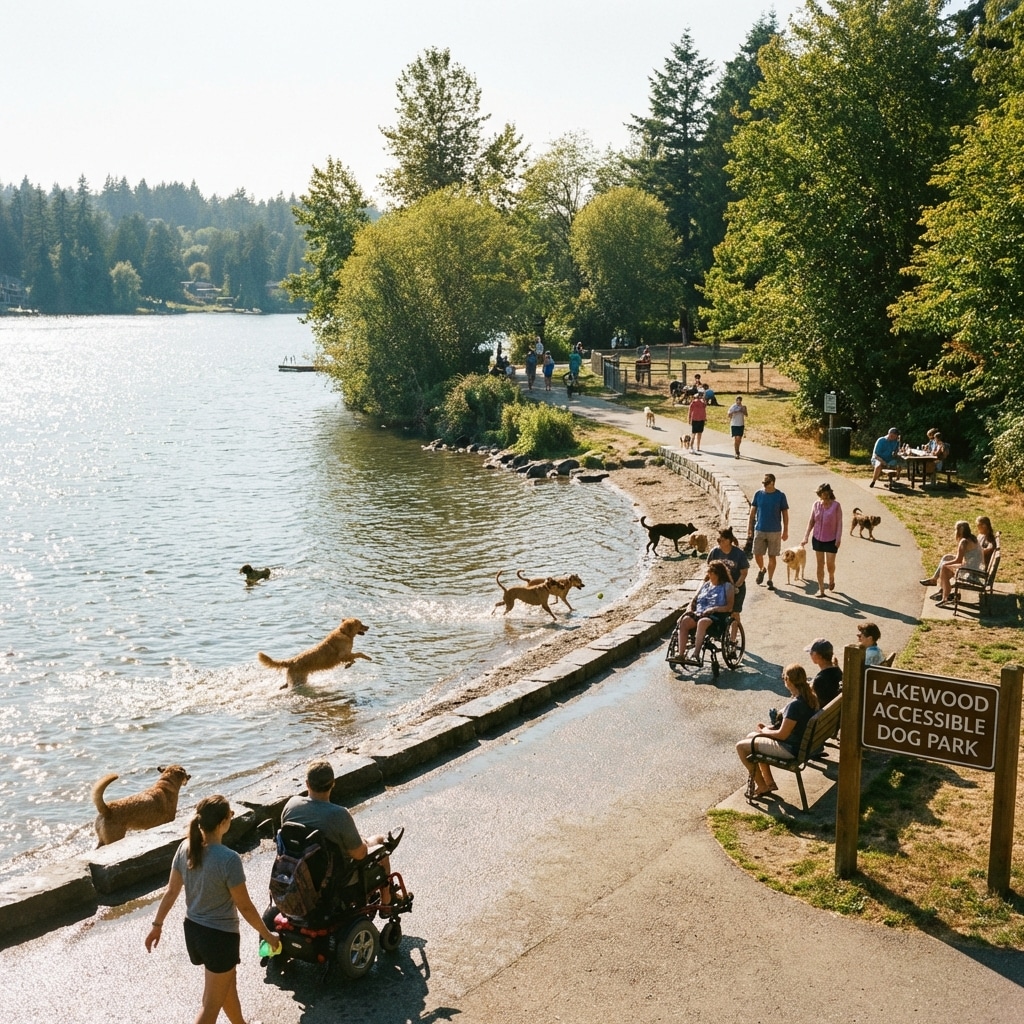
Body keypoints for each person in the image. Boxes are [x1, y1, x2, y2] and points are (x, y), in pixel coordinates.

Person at [145, 795, 281, 1024]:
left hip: (194, 932)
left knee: (227, 986)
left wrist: (156, 925)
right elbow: (245, 907)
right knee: (210, 1006)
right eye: (230, 815)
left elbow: (171, 891)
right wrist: (268, 936)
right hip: (219, 938)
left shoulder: (185, 847)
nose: (231, 818)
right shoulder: (228, 859)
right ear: (222, 822)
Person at [279, 760, 397, 907]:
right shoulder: (339, 815)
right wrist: (367, 842)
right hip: (335, 881)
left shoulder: (291, 805)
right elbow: (360, 855)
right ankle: (387, 901)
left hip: (299, 874)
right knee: (381, 844)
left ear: (307, 784)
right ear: (333, 783)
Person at [737, 663, 818, 799]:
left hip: (791, 749)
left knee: (741, 747)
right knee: (751, 736)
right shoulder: (810, 697)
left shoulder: (795, 705)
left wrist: (764, 731)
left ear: (788, 680)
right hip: (803, 745)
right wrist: (768, 729)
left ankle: (762, 786)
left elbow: (782, 735)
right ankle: (769, 783)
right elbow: (790, 727)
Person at [676, 561, 734, 663]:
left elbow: (729, 607)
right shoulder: (706, 585)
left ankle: (696, 655)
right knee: (685, 620)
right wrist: (689, 609)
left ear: (718, 574)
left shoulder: (727, 586)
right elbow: (694, 600)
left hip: (716, 615)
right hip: (700, 612)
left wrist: (714, 609)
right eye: (708, 572)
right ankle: (681, 654)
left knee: (702, 622)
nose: (709, 575)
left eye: (711, 573)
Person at [921, 520, 982, 607]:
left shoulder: (963, 542)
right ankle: (935, 580)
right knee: (947, 557)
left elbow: (958, 560)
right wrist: (947, 562)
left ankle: (945, 597)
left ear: (959, 531)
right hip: (975, 567)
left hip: (970, 571)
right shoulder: (972, 538)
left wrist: (945, 565)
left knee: (944, 568)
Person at [747, 473, 789, 591]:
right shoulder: (758, 494)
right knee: (757, 553)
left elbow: (785, 514)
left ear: (772, 483)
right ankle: (762, 569)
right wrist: (749, 528)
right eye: (763, 483)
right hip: (760, 529)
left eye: (766, 483)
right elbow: (752, 513)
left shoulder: (780, 496)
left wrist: (785, 530)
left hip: (775, 531)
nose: (764, 485)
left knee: (772, 556)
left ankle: (770, 580)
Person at [801, 482, 843, 596]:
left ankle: (831, 577)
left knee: (830, 565)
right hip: (817, 539)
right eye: (820, 493)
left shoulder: (836, 506)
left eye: (824, 493)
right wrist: (806, 537)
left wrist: (838, 538)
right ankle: (821, 589)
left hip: (831, 540)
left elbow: (839, 523)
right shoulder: (816, 505)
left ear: (829, 493)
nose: (822, 495)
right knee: (820, 564)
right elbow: (811, 521)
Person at [707, 528, 749, 641]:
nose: (719, 542)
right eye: (718, 540)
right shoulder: (715, 552)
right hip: (719, 587)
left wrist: (735, 586)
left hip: (736, 587)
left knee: (734, 613)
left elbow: (744, 573)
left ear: (729, 540)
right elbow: (709, 570)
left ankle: (733, 639)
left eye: (721, 540)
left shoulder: (739, 554)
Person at [805, 638, 842, 706]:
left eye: (811, 652)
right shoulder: (838, 671)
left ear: (819, 656)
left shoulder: (820, 680)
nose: (810, 655)